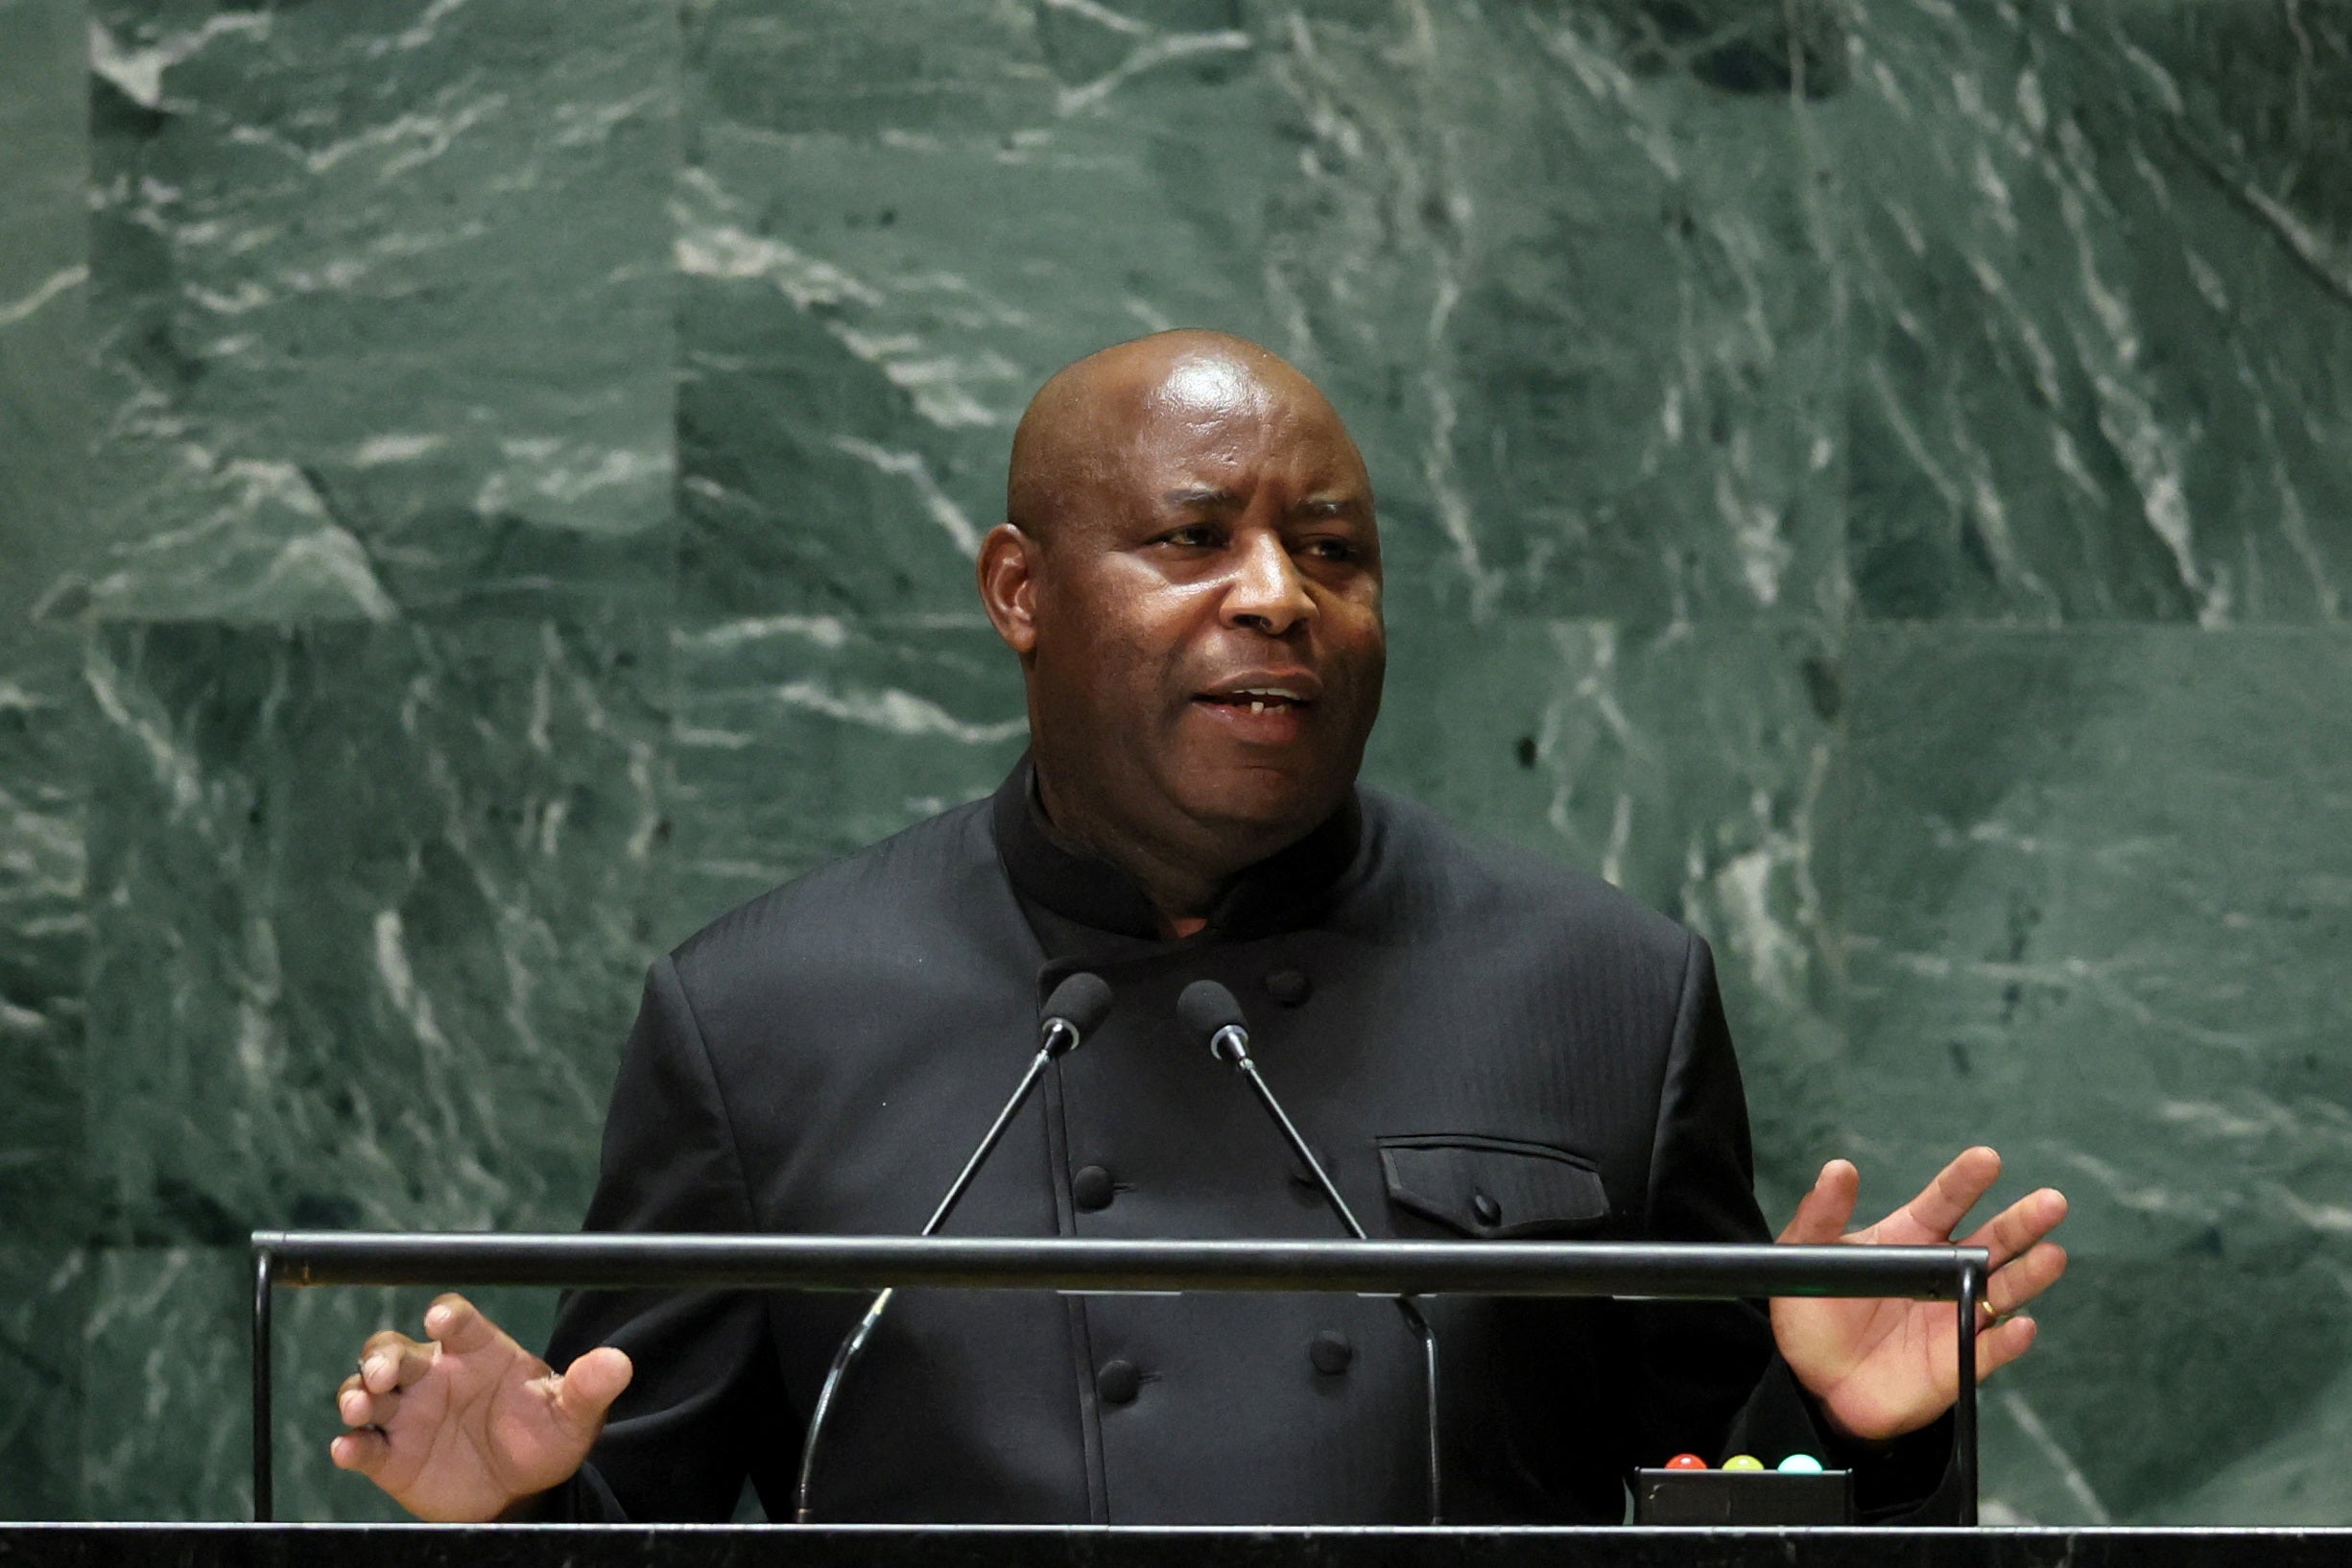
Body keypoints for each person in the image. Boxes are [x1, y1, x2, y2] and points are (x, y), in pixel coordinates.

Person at [329, 331, 2069, 1525]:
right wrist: (524, 1506)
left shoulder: (1602, 991)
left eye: (1331, 549)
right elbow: (645, 1516)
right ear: (1021, 591)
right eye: (1193, 536)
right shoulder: (763, 1014)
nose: (1275, 594)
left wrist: (1843, 1420)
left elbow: (1711, 1494)